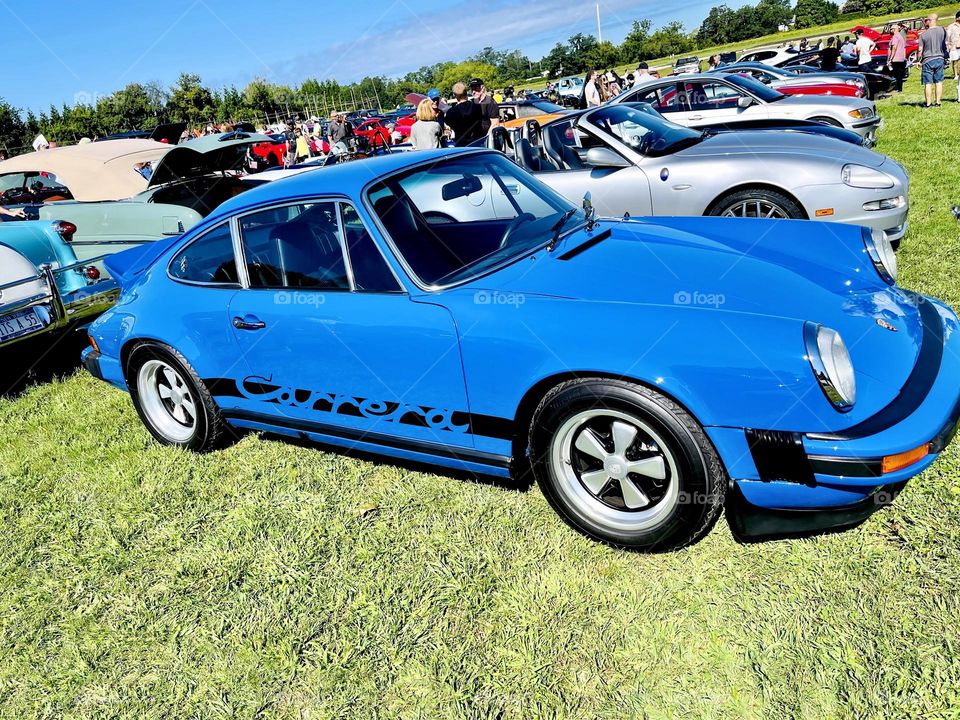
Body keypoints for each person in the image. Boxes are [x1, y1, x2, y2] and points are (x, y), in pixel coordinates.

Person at [919, 13, 948, 107]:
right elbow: (945, 45)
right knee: (939, 82)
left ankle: (928, 103)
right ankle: (938, 102)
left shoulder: (923, 35)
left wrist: (918, 61)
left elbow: (920, 50)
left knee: (928, 83)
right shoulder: (942, 31)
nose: (925, 22)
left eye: (926, 20)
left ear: (930, 20)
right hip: (939, 58)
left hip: (927, 60)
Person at [445, 81, 485, 146]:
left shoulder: (451, 112)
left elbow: (449, 124)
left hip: (461, 144)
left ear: (454, 95)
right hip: (477, 142)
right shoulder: (477, 107)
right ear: (466, 92)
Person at [887, 22, 907, 92]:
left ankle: (898, 88)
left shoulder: (895, 36)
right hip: (901, 58)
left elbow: (894, 48)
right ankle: (899, 87)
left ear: (894, 30)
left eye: (891, 29)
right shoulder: (900, 36)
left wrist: (891, 58)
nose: (890, 30)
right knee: (899, 75)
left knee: (897, 75)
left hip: (896, 58)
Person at [947, 11, 960, 97]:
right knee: (955, 61)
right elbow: (948, 37)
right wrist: (949, 45)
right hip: (954, 46)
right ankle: (955, 74)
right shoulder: (951, 26)